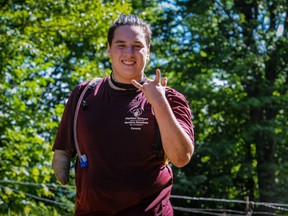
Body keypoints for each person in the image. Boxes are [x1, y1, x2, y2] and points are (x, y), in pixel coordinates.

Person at [52, 14, 194, 216]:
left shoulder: (170, 98)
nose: (129, 52)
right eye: (121, 44)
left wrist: (159, 103)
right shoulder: (84, 93)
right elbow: (63, 149)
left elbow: (181, 157)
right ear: (109, 49)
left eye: (137, 45)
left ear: (148, 51)